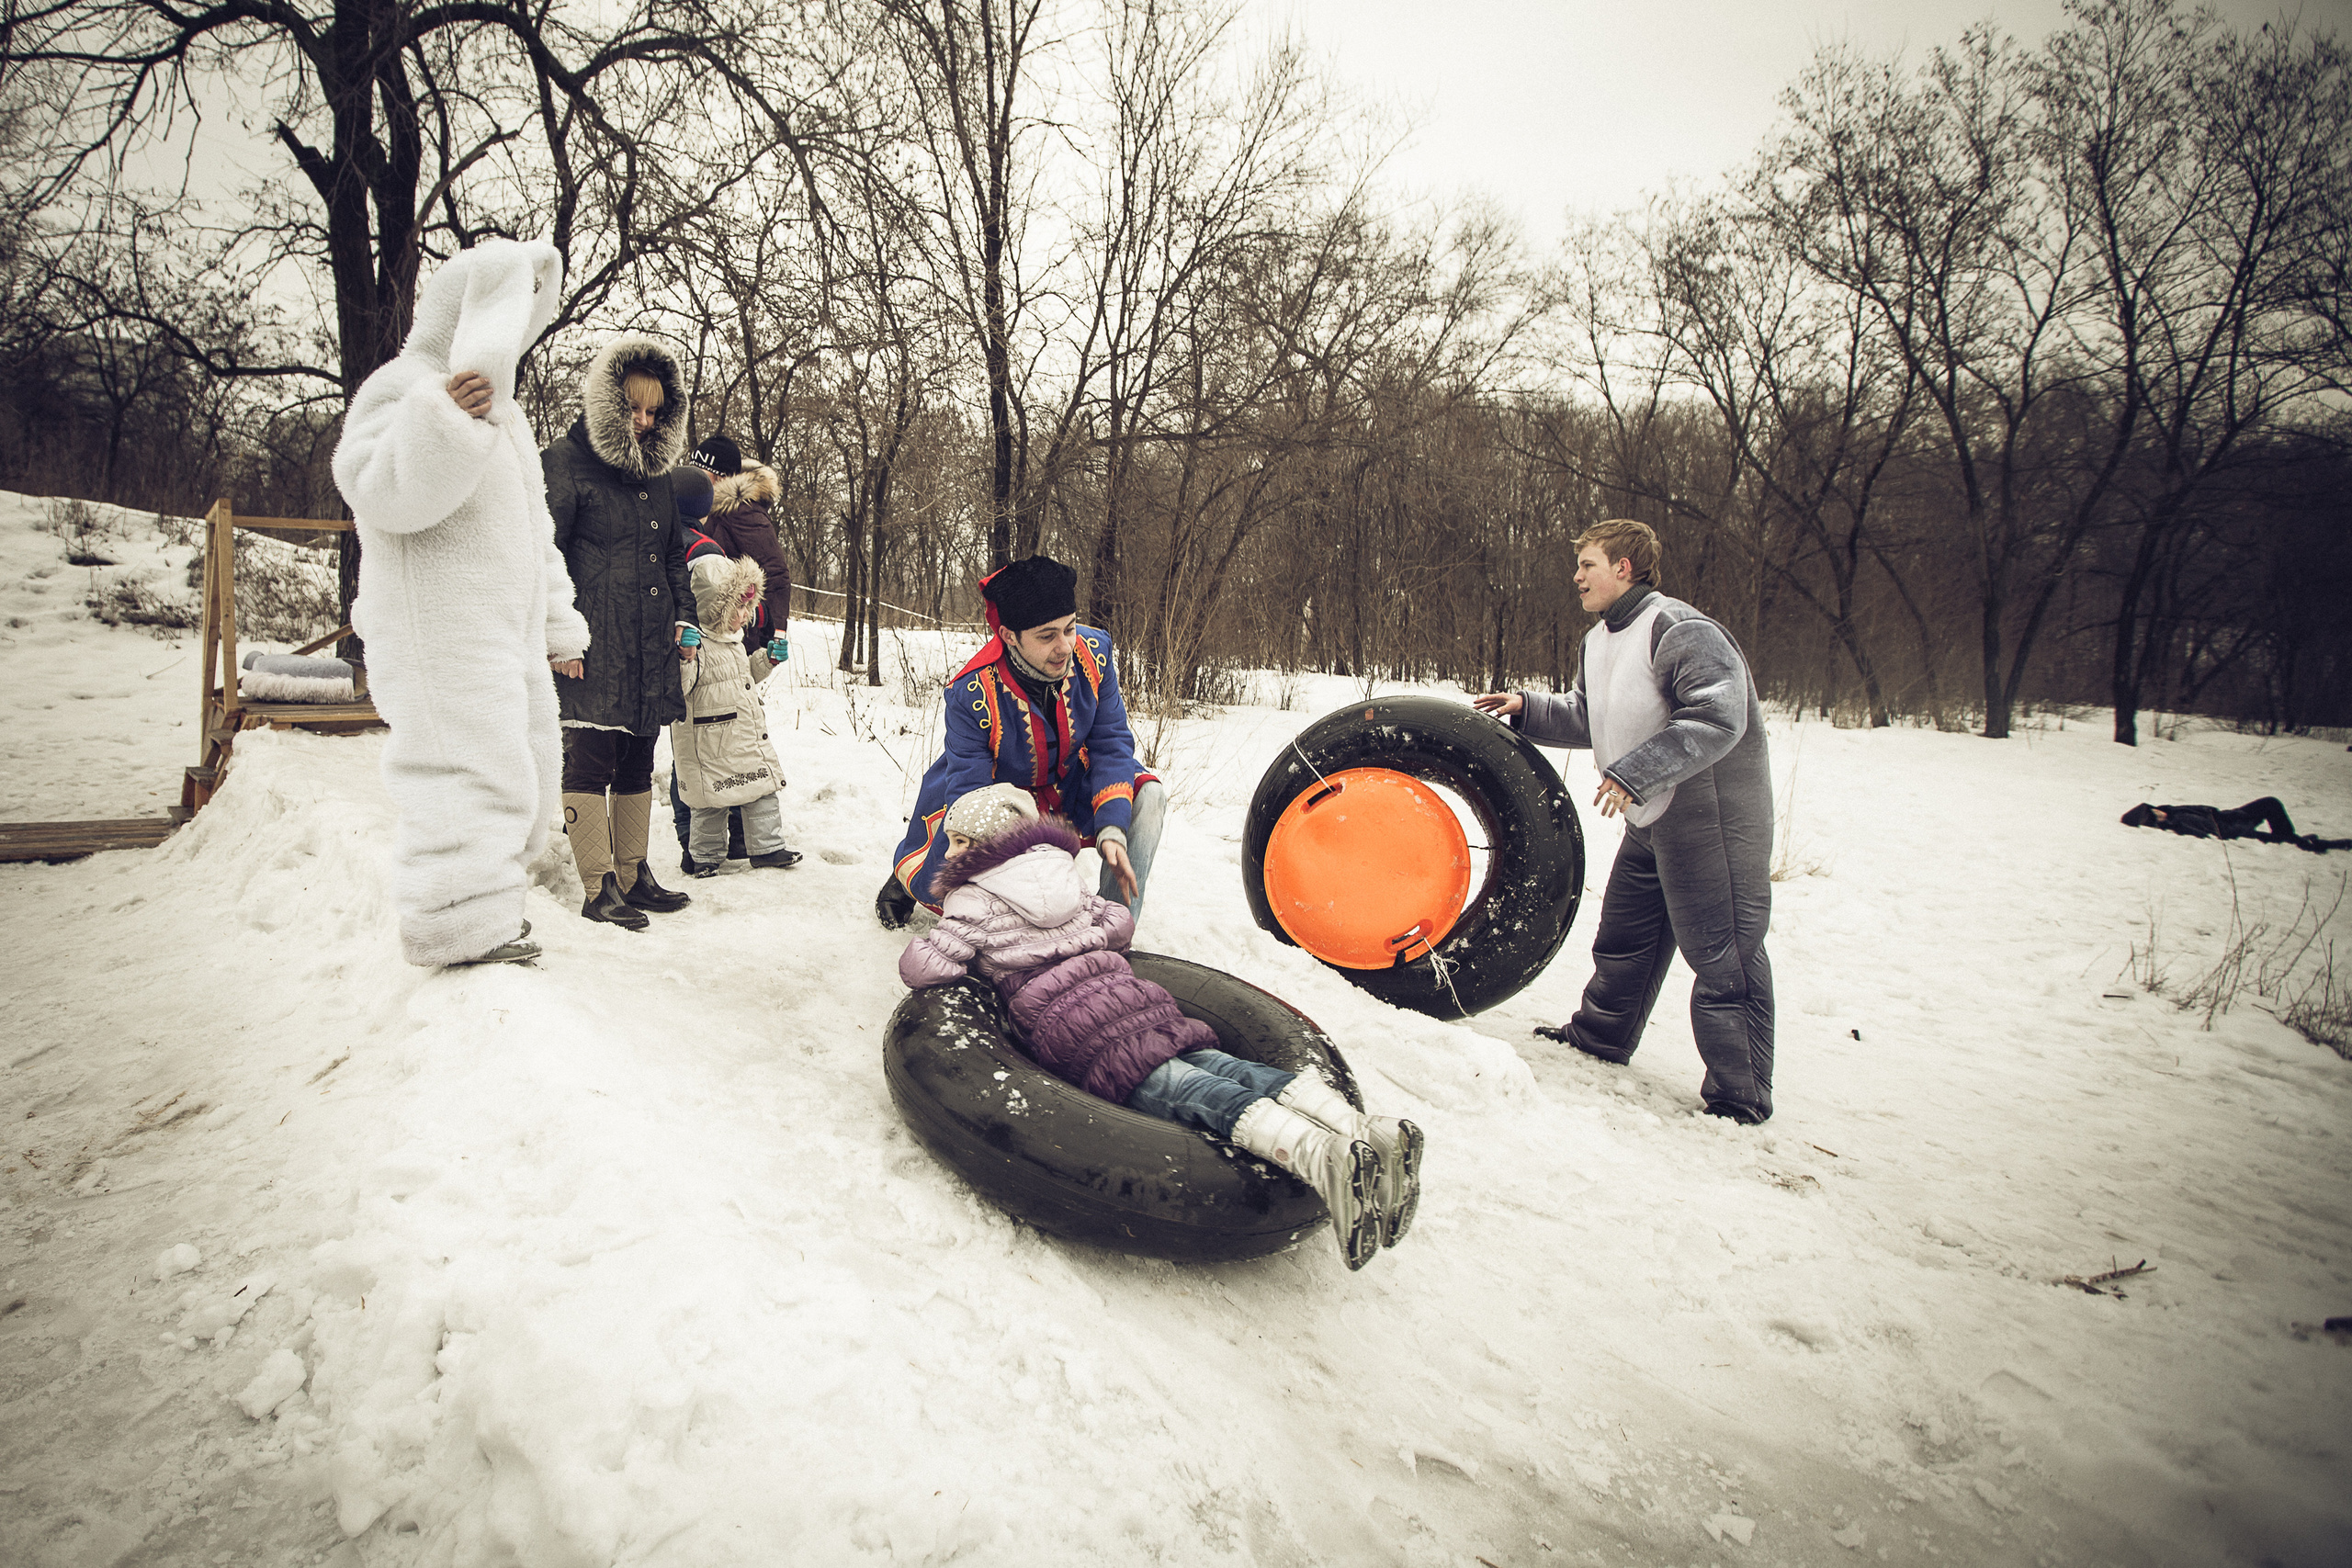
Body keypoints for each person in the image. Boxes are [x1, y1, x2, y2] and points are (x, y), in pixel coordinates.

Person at [897, 784, 1421, 1269]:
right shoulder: (1062, 875)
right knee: (1219, 1064)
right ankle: (1365, 1130)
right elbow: (1117, 924)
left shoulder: (971, 898)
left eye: (960, 842)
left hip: (1073, 1024)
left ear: (987, 845)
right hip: (1130, 994)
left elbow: (928, 966)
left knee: (1181, 1088)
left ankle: (1324, 1158)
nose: (951, 853)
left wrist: (950, 951)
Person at [332, 238, 585, 968]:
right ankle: (454, 925)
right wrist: (439, 418)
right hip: (437, 629)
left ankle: (486, 913)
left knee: (520, 764)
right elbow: (376, 487)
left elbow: (534, 533)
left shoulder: (509, 420)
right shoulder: (402, 387)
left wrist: (558, 626)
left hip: (501, 631)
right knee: (460, 771)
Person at [1474, 518, 1777, 1123]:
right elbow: (1594, 715)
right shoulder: (1599, 639)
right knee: (1625, 934)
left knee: (1723, 953)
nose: (1577, 576)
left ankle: (1740, 1094)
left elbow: (1717, 717)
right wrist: (1528, 707)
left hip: (1710, 815)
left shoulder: (1680, 629)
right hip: (1649, 810)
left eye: (1587, 564)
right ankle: (1602, 1035)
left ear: (1624, 567)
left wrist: (1635, 773)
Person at [879, 555, 1164, 930]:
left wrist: (1112, 828)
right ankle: (906, 881)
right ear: (1010, 636)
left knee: (1147, 796)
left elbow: (1110, 742)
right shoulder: (970, 692)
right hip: (995, 791)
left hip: (1069, 779)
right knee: (968, 870)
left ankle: (1113, 928)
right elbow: (971, 797)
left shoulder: (1095, 653)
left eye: (1070, 628)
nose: (1065, 646)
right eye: (1047, 636)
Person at [543, 334, 702, 929]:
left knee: (638, 756)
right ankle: (597, 886)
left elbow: (674, 557)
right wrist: (558, 635)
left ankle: (633, 874)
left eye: (654, 411)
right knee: (591, 758)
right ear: (608, 403)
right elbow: (542, 555)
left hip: (648, 642)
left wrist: (685, 620)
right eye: (633, 408)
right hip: (589, 641)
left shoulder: (659, 477)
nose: (643, 421)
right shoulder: (564, 462)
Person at [672, 544, 797, 874]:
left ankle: (768, 847)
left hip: (740, 737)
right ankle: (704, 856)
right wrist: (684, 658)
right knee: (710, 803)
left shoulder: (734, 640)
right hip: (709, 741)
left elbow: (744, 675)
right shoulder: (695, 643)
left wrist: (766, 660)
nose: (745, 615)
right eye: (738, 607)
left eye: (748, 607)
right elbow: (681, 687)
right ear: (714, 607)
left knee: (762, 790)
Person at [688, 434, 794, 656]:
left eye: (701, 471)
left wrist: (775, 634)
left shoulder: (743, 511)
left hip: (736, 635)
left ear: (720, 477)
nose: (694, 476)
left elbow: (776, 573)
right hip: (704, 627)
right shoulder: (701, 508)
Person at [2121, 799, 2347, 852]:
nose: (2158, 812)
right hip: (2234, 826)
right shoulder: (2176, 822)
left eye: (2155, 809)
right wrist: (2243, 828)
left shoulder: (2171, 812)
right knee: (2271, 805)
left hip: (2231, 816)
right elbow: (2211, 831)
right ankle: (2300, 843)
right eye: (2154, 815)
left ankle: (2289, 838)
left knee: (2271, 804)